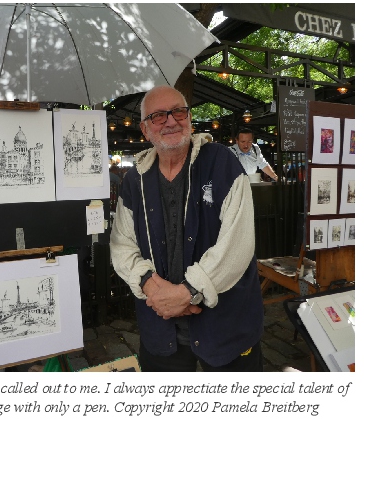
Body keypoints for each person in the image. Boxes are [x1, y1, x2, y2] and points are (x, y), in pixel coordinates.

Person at [110, 86, 264, 371]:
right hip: (161, 328)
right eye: (158, 116)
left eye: (178, 111)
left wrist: (186, 292)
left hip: (225, 329)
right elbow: (122, 246)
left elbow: (237, 246)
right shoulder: (134, 181)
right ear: (145, 129)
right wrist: (149, 285)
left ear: (190, 118)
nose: (171, 121)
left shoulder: (222, 163)